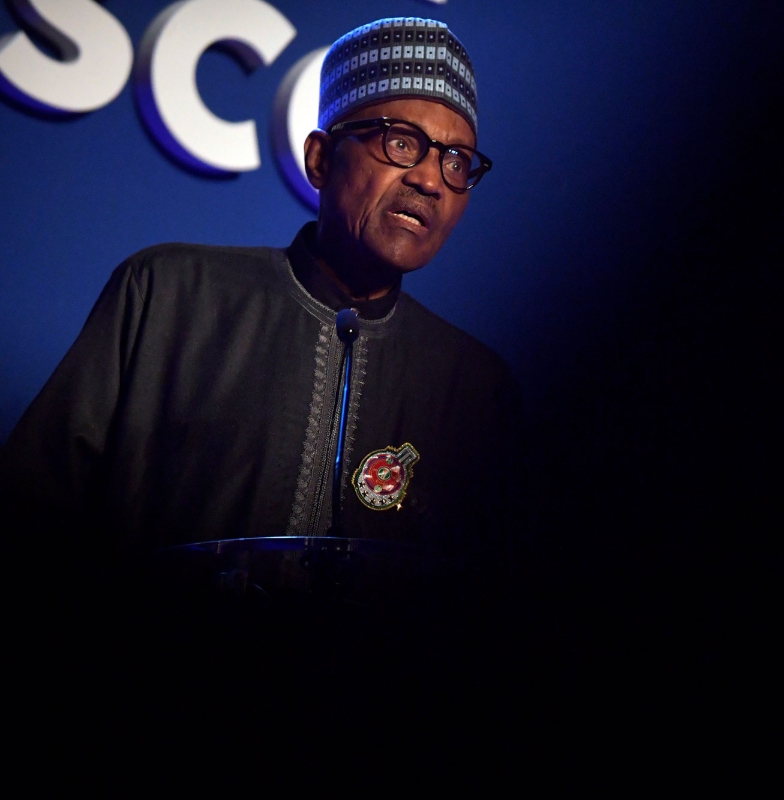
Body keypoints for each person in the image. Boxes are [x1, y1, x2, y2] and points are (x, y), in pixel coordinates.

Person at [0, 18, 519, 563]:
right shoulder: (166, 296)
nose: (431, 180)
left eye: (456, 160)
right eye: (401, 142)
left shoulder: (477, 390)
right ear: (320, 159)